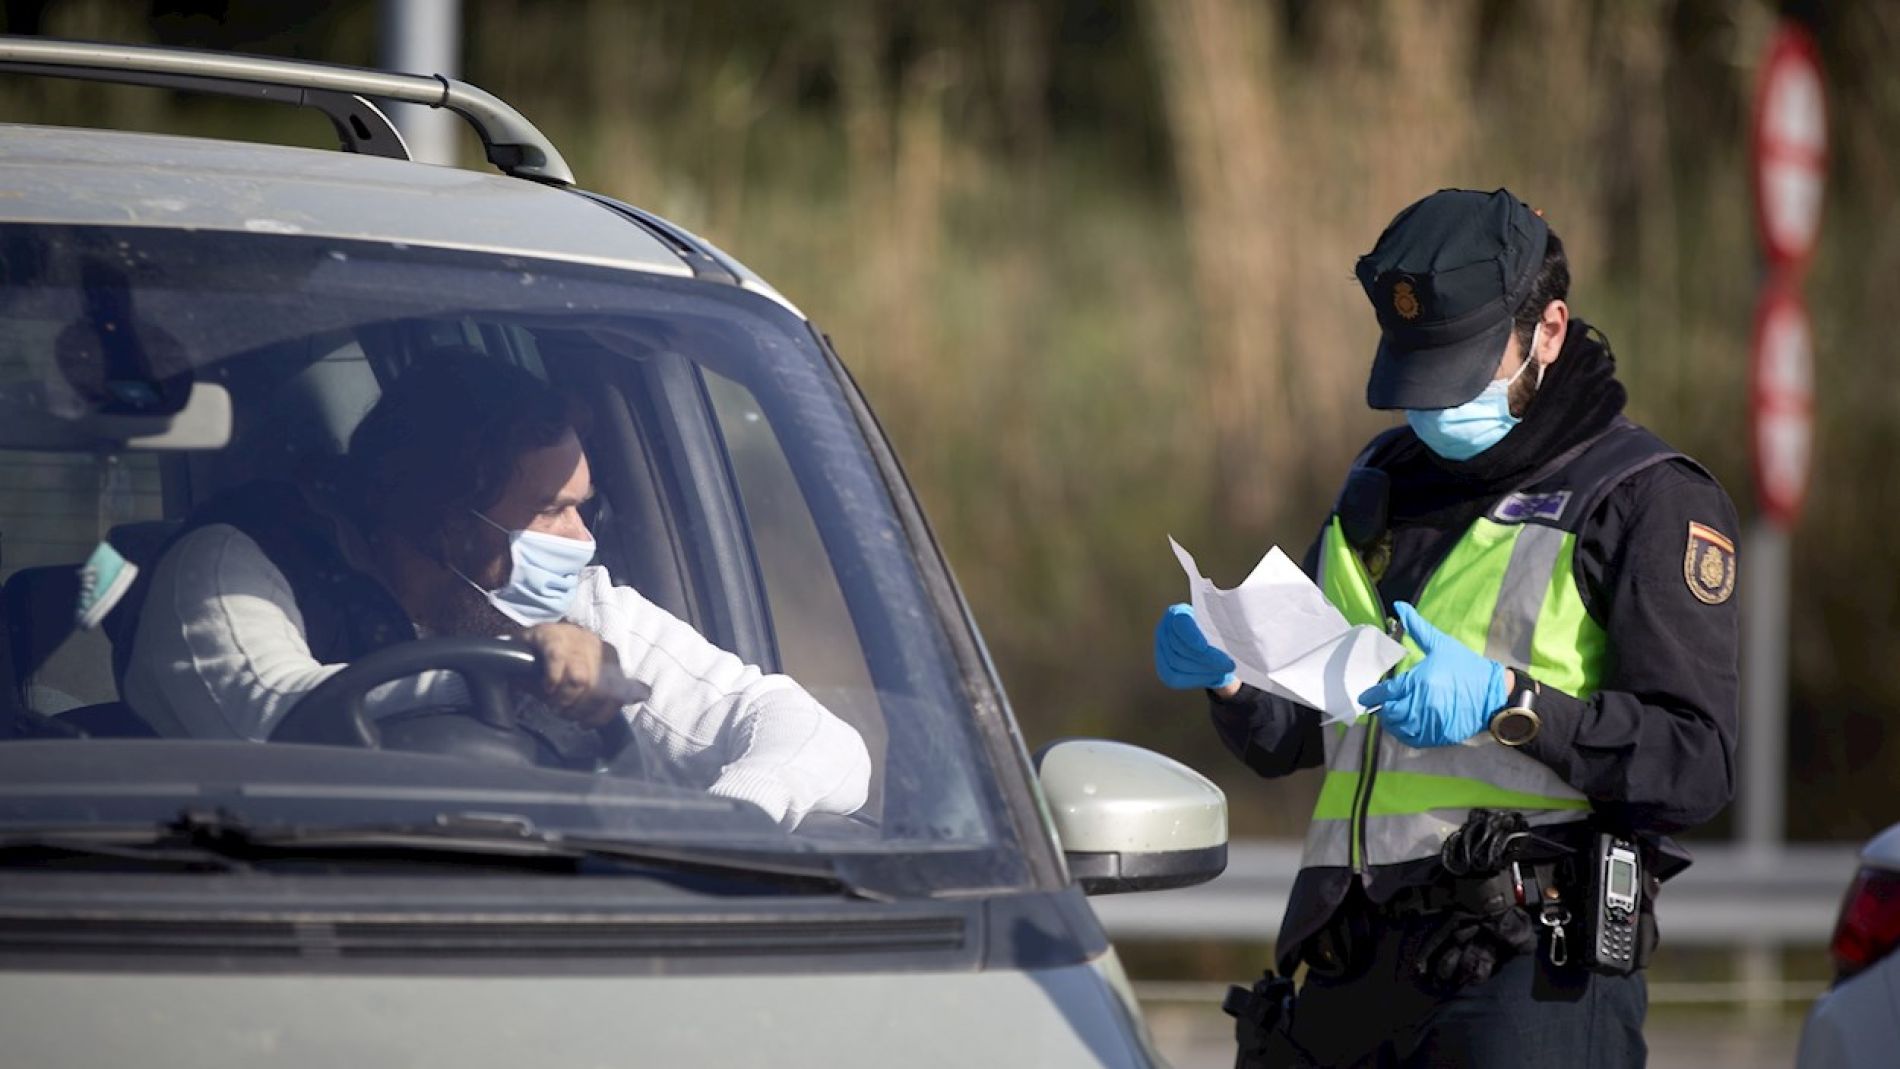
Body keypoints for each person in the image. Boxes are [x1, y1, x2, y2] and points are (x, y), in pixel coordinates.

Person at [1155, 189, 1738, 1066]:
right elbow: (1301, 733)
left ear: (1548, 330)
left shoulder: (1644, 498)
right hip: (1352, 961)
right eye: (1418, 373)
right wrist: (1234, 677)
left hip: (1528, 975)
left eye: (1461, 369)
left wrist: (1509, 701)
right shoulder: (1383, 481)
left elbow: (1695, 764)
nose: (1433, 405)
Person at [122, 354, 871, 830]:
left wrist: (731, 822)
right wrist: (510, 675)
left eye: (583, 506)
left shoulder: (573, 606)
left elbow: (812, 734)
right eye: (551, 510)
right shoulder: (228, 568)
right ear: (448, 524)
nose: (581, 539)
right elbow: (269, 726)